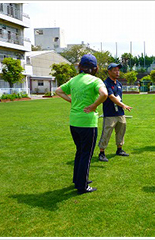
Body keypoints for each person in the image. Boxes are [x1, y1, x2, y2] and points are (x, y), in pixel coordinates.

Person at [55, 54, 108, 194]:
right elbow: (104, 94)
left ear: (80, 67)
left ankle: (77, 179)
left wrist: (71, 101)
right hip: (88, 123)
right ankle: (82, 186)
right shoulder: (96, 81)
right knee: (86, 154)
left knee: (80, 152)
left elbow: (58, 91)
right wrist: (93, 105)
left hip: (74, 122)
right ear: (95, 68)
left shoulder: (73, 80)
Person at [98, 63, 132, 162]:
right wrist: (123, 105)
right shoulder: (106, 84)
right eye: (115, 70)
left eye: (118, 70)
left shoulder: (119, 84)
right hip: (109, 113)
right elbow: (111, 97)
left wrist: (121, 107)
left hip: (120, 113)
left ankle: (119, 149)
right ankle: (102, 152)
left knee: (121, 130)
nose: (117, 72)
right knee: (107, 132)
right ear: (109, 71)